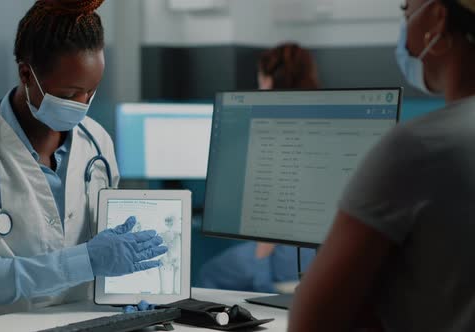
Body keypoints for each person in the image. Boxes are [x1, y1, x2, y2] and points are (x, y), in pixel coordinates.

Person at [0, 0, 167, 326]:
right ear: (27, 73)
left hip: (80, 323)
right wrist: (86, 261)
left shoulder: (97, 144)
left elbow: (104, 253)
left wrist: (123, 294)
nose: (82, 105)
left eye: (91, 92)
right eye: (69, 94)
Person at [289, 0, 475, 331]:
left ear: (438, 17)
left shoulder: (421, 148)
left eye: (406, 12)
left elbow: (310, 323)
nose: (404, 27)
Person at [198, 43, 319, 293]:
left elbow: (271, 224)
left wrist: (261, 271)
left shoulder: (270, 132)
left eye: (260, 80)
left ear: (268, 81)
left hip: (282, 259)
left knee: (209, 273)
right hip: (319, 257)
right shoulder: (322, 122)